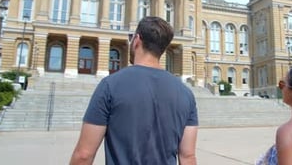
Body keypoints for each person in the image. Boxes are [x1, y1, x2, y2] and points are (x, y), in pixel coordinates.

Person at [70, 16, 198, 165]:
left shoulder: (110, 85)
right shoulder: (186, 93)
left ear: (136, 40)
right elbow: (188, 157)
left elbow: (84, 155)